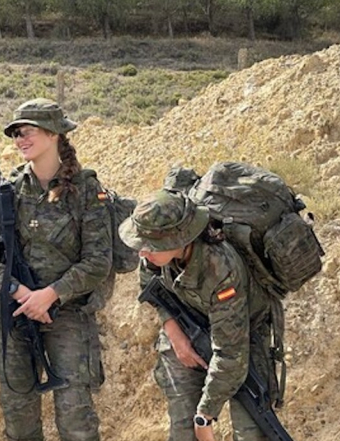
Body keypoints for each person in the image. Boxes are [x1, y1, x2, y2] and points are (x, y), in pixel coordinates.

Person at [0, 98, 113, 441]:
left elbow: (98, 261)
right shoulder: (8, 194)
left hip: (67, 316)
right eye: (16, 134)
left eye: (27, 131)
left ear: (54, 134)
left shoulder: (85, 190)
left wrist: (50, 295)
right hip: (15, 314)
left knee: (76, 420)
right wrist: (21, 293)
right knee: (19, 422)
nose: (20, 139)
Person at [118, 189, 277, 441]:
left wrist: (206, 415)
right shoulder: (156, 253)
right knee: (183, 428)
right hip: (188, 325)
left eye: (148, 247)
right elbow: (149, 281)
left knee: (252, 429)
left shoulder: (220, 268)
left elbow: (231, 354)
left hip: (241, 335)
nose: (141, 253)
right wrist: (173, 330)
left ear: (178, 240)